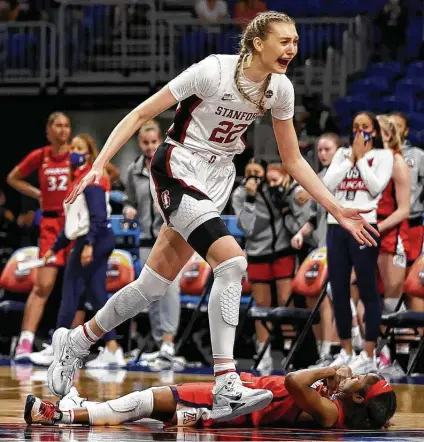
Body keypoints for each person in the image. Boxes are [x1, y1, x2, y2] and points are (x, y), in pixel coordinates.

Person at [47, 11, 378, 422]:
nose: (292, 49)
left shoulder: (280, 89)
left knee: (151, 287)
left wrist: (337, 208)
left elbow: (292, 160)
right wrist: (99, 164)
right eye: (284, 41)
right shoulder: (212, 71)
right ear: (258, 42)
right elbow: (138, 114)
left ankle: (76, 341)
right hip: (179, 165)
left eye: (295, 41)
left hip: (219, 176)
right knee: (233, 261)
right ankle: (226, 382)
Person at [26, 365, 397, 430]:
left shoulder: (332, 413)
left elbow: (294, 382)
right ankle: (80, 409)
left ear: (360, 398)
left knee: (145, 402)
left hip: (236, 404)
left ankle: (59, 417)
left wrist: (329, 368)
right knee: (147, 405)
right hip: (238, 396)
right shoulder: (339, 405)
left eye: (359, 380)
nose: (353, 376)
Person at [29, 134, 125, 368]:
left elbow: (98, 217)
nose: (72, 151)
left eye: (78, 148)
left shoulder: (92, 179)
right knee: (96, 295)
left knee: (70, 291)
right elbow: (71, 224)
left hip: (94, 238)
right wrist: (54, 248)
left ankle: (57, 349)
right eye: (71, 147)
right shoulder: (78, 180)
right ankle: (113, 349)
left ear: (88, 154)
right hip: (93, 238)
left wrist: (90, 244)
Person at [322, 112, 393, 374]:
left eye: (365, 127)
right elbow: (328, 184)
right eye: (355, 127)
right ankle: (346, 350)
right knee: (338, 288)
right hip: (337, 225)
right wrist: (350, 158)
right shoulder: (341, 154)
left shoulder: (383, 157)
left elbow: (375, 188)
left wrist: (361, 159)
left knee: (366, 287)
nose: (359, 131)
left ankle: (369, 353)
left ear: (373, 132)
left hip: (365, 224)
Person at [7, 112, 72, 360]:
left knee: (75, 286)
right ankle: (24, 343)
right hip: (50, 224)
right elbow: (13, 178)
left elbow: (109, 173)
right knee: (43, 284)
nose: (63, 130)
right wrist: (37, 194)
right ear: (48, 130)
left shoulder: (76, 154)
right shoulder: (41, 156)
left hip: (75, 223)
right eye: (58, 125)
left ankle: (73, 345)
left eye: (66, 126)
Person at [123, 120, 182, 369]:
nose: (149, 147)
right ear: (140, 143)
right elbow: (130, 200)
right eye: (145, 143)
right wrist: (128, 208)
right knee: (151, 293)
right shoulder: (133, 170)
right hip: (145, 240)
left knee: (170, 289)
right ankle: (159, 346)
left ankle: (169, 342)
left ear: (161, 140)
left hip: (169, 237)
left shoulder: (170, 166)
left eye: (153, 142)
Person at [231, 159, 297, 374]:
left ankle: (290, 352)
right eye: (249, 172)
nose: (253, 177)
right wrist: (251, 198)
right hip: (258, 253)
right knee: (262, 308)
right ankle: (264, 353)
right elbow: (246, 227)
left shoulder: (274, 189)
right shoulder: (240, 195)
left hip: (282, 250)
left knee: (287, 305)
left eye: (257, 172)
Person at [291, 133, 341, 364]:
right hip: (320, 248)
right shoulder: (317, 176)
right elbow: (312, 218)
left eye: (327, 149)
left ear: (339, 151)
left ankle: (333, 348)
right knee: (313, 297)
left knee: (331, 298)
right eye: (320, 150)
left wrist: (311, 193)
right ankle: (323, 351)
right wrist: (301, 234)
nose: (322, 154)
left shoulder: (343, 175)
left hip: (340, 245)